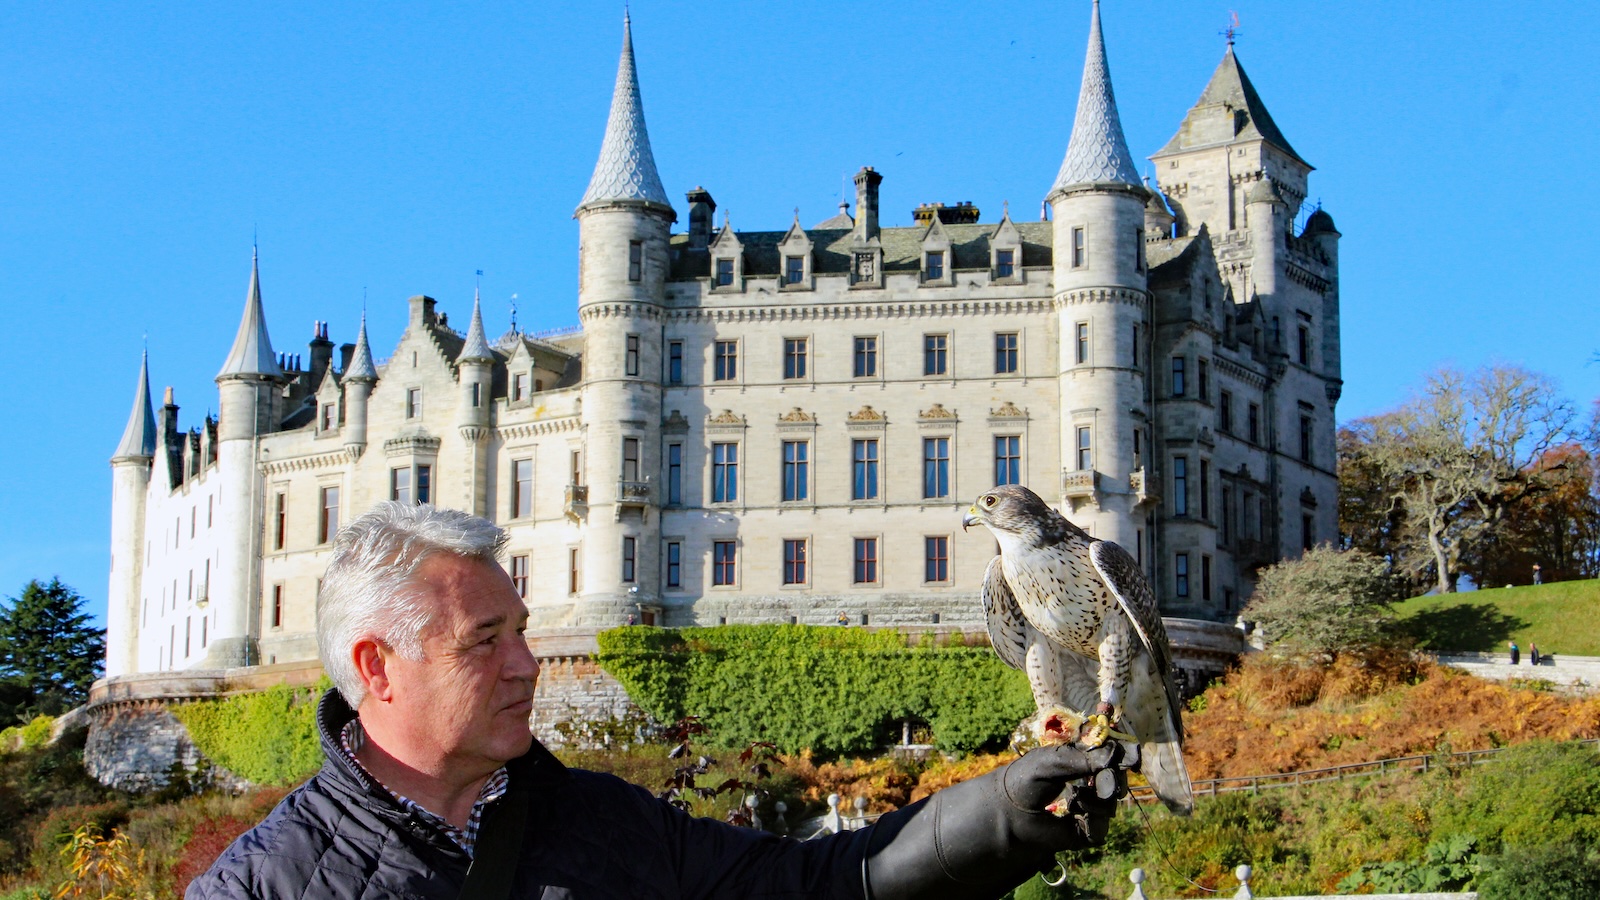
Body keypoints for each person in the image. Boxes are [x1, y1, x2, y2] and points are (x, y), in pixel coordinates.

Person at [188, 503, 1135, 899]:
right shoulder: (261, 886)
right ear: (378, 668)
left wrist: (1005, 812)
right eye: (487, 640)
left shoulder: (607, 823)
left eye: (521, 628)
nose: (529, 665)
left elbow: (825, 888)